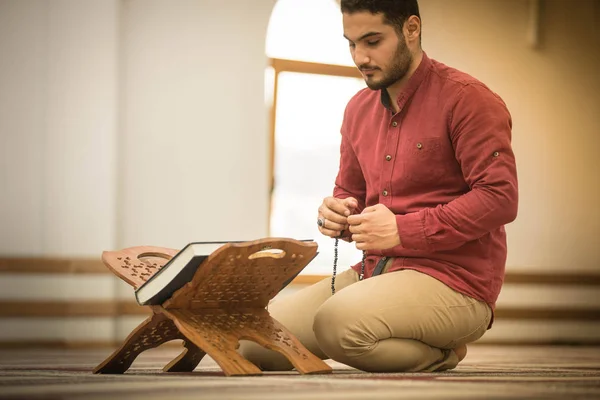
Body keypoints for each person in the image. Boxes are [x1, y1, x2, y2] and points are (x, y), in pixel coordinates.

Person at [240, 0, 518, 372]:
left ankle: (442, 352)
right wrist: (334, 215)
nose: (360, 56)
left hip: (457, 283)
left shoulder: (468, 99)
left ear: (411, 29)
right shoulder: (357, 109)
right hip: (375, 272)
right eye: (351, 43)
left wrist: (402, 230)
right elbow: (348, 193)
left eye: (372, 41)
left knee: (336, 325)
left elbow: (500, 199)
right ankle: (425, 347)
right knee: (253, 341)